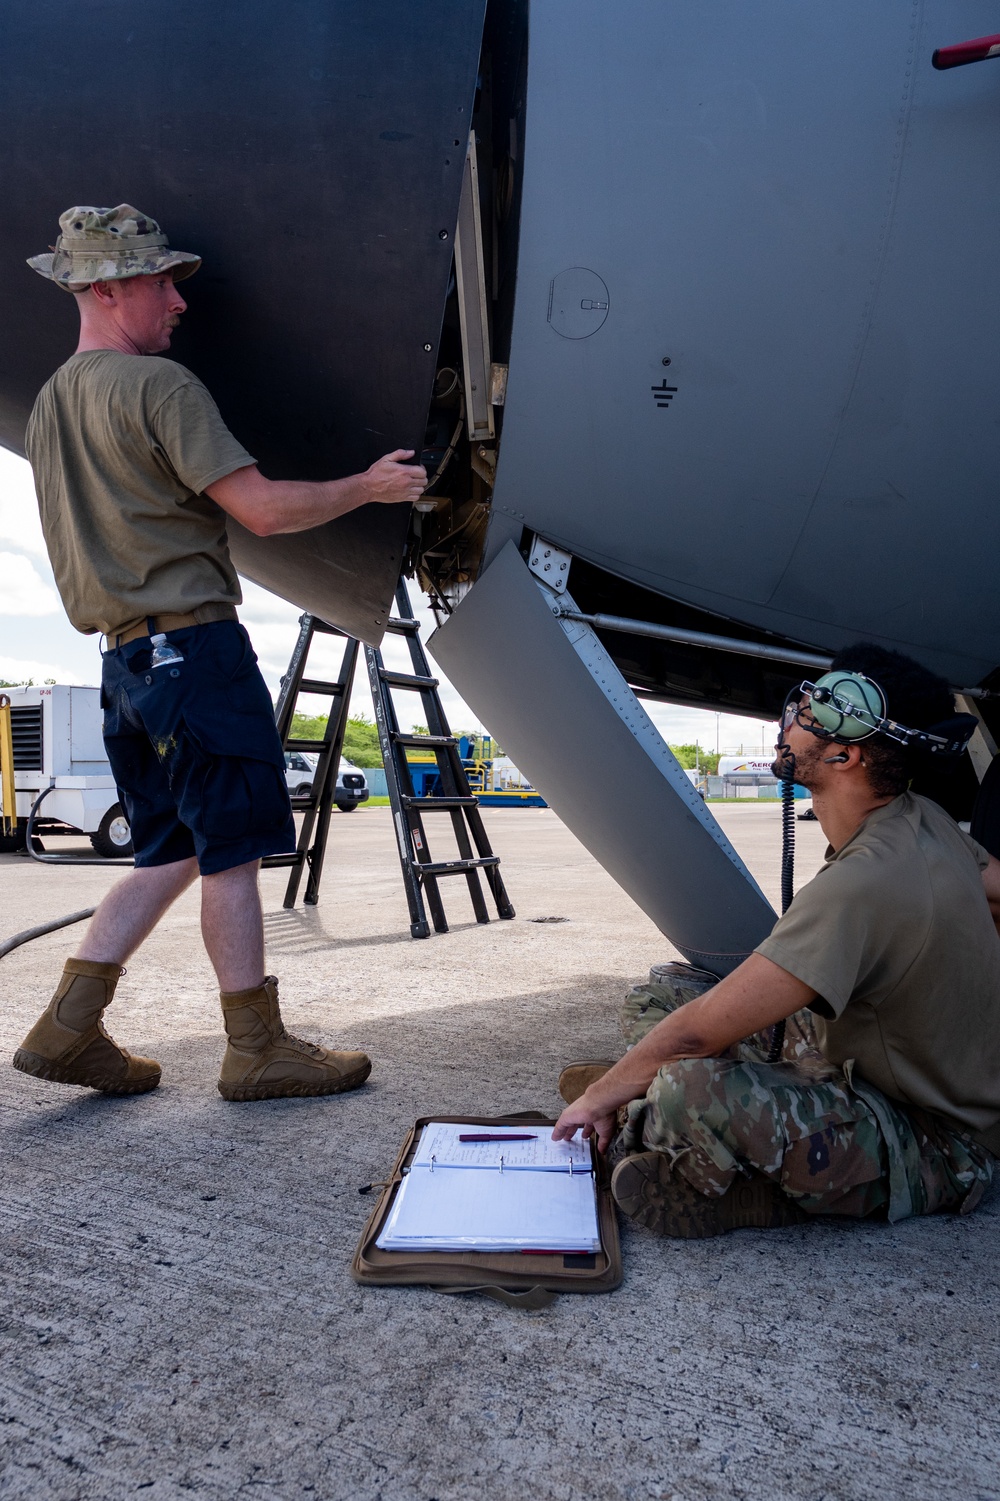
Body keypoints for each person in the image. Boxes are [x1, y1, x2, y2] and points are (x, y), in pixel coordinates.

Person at [13, 203, 426, 1103]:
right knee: (231, 849)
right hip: (193, 651)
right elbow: (266, 512)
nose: (179, 301)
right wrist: (371, 485)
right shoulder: (159, 388)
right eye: (162, 281)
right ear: (110, 287)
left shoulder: (49, 403)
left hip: (124, 667)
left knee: (165, 849)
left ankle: (67, 1028)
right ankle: (256, 1046)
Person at [553, 643, 1000, 1234]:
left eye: (809, 713)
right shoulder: (923, 818)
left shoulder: (866, 880)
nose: (787, 722)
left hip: (938, 1142)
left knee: (687, 1084)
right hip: (854, 1059)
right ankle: (645, 1095)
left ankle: (714, 1166)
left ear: (845, 754)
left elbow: (695, 1035)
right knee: (661, 993)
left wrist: (594, 1101)